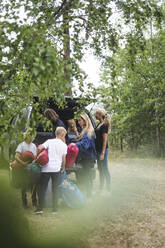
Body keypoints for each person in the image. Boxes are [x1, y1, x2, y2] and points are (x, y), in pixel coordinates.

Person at [35, 127, 67, 214]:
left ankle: (40, 209)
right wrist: (63, 168)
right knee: (55, 189)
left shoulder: (49, 141)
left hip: (46, 168)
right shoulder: (64, 145)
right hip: (56, 169)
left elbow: (39, 148)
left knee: (42, 189)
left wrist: (37, 158)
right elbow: (63, 159)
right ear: (63, 135)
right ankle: (55, 209)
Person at [73, 113, 96, 198]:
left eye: (80, 120)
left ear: (85, 120)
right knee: (87, 176)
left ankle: (89, 196)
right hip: (86, 157)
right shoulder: (85, 130)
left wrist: (74, 144)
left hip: (88, 158)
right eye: (78, 120)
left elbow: (85, 145)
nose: (78, 122)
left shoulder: (88, 131)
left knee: (87, 177)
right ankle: (88, 194)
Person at [13, 128, 37, 208]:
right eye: (31, 135)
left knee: (33, 185)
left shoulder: (34, 146)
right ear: (27, 135)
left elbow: (35, 157)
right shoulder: (21, 145)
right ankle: (24, 203)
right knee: (24, 186)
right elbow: (16, 156)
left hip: (31, 168)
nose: (33, 137)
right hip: (23, 169)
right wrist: (23, 163)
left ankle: (34, 202)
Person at [95, 109, 111, 192]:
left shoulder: (104, 125)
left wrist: (103, 153)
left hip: (103, 150)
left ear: (100, 115)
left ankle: (108, 188)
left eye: (96, 113)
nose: (95, 114)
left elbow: (105, 140)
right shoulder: (99, 124)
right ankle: (101, 187)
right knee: (100, 169)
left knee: (105, 169)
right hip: (98, 150)